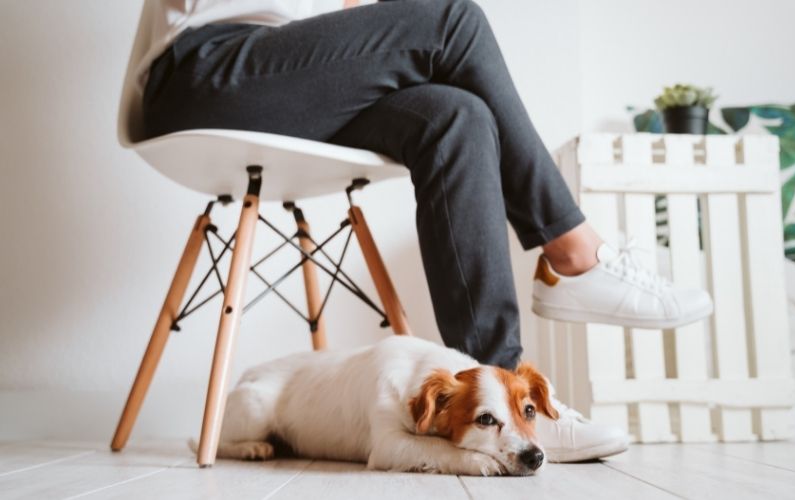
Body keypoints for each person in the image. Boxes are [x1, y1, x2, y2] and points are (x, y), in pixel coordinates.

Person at [137, 0, 713, 462]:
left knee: (458, 118)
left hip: (302, 82)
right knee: (454, 20)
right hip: (205, 73)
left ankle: (502, 397)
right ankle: (573, 253)